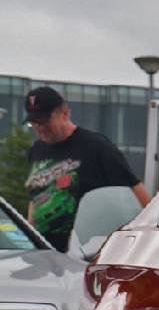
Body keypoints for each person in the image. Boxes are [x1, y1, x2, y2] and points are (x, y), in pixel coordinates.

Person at [24, 87, 150, 252]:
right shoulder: (36, 150)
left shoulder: (96, 146)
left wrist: (151, 229)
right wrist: (30, 234)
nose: (39, 127)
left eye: (45, 120)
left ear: (65, 113)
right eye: (34, 122)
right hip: (44, 251)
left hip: (85, 250)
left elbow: (134, 187)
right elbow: (35, 196)